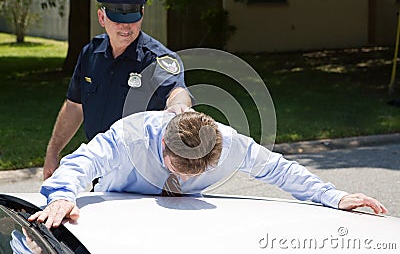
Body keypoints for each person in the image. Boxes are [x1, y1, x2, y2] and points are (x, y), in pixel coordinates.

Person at [29, 111, 388, 229]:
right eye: (178, 169)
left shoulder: (230, 143)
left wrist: (333, 195)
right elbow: (83, 161)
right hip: (116, 215)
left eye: (197, 172)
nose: (185, 179)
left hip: (186, 223)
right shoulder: (130, 136)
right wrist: (61, 195)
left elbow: (279, 170)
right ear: (164, 146)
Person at [43, 0, 192, 180]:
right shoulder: (90, 54)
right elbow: (74, 106)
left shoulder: (156, 58)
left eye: (132, 19)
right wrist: (53, 152)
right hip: (102, 168)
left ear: (142, 14)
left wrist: (179, 105)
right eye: (117, 20)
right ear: (102, 17)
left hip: (145, 175)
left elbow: (176, 91)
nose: (126, 27)